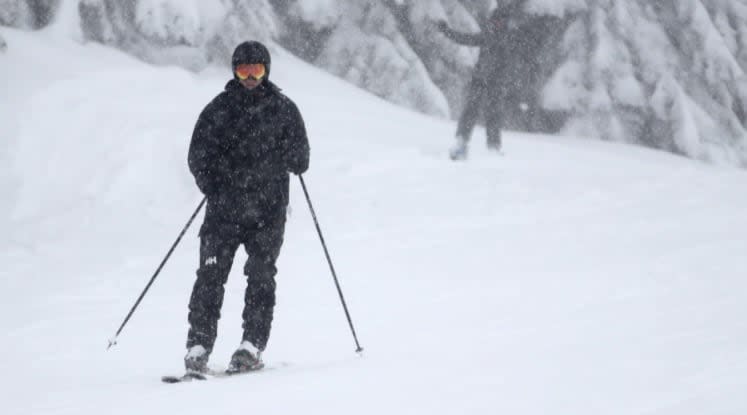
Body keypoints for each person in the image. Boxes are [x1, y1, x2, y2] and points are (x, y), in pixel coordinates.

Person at [184, 40, 310, 374]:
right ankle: (198, 345)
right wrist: (212, 185)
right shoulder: (218, 109)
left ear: (267, 70)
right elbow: (197, 156)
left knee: (260, 276)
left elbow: (302, 159)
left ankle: (251, 345)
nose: (250, 77)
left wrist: (290, 157)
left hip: (267, 214)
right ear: (234, 71)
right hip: (223, 213)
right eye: (243, 70)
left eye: (256, 70)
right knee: (209, 277)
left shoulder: (284, 109)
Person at [437, 1, 527, 160]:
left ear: (505, 23)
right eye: (496, 20)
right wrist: (447, 32)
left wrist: (510, 80)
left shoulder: (508, 39)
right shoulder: (488, 35)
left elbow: (517, 63)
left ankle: (493, 148)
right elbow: (465, 39)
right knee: (470, 111)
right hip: (480, 80)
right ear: (493, 21)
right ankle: (461, 143)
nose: (498, 23)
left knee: (493, 115)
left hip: (496, 83)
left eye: (501, 21)